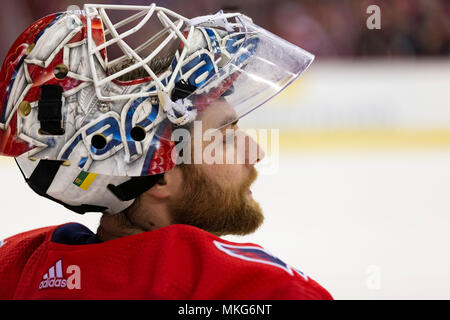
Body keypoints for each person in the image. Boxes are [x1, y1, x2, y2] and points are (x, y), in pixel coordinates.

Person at [0, 4, 332, 299]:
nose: (256, 152)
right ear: (160, 177)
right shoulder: (254, 288)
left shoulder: (14, 267)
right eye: (226, 136)